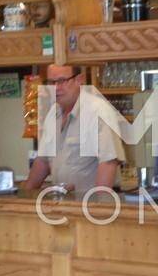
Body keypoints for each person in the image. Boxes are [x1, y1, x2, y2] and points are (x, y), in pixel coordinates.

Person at [22, 64, 125, 194]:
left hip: (90, 201)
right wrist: (25, 195)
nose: (56, 88)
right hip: (64, 201)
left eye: (62, 81)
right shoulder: (53, 113)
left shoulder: (98, 111)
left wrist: (98, 204)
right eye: (51, 82)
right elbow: (43, 161)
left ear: (79, 80)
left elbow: (108, 163)